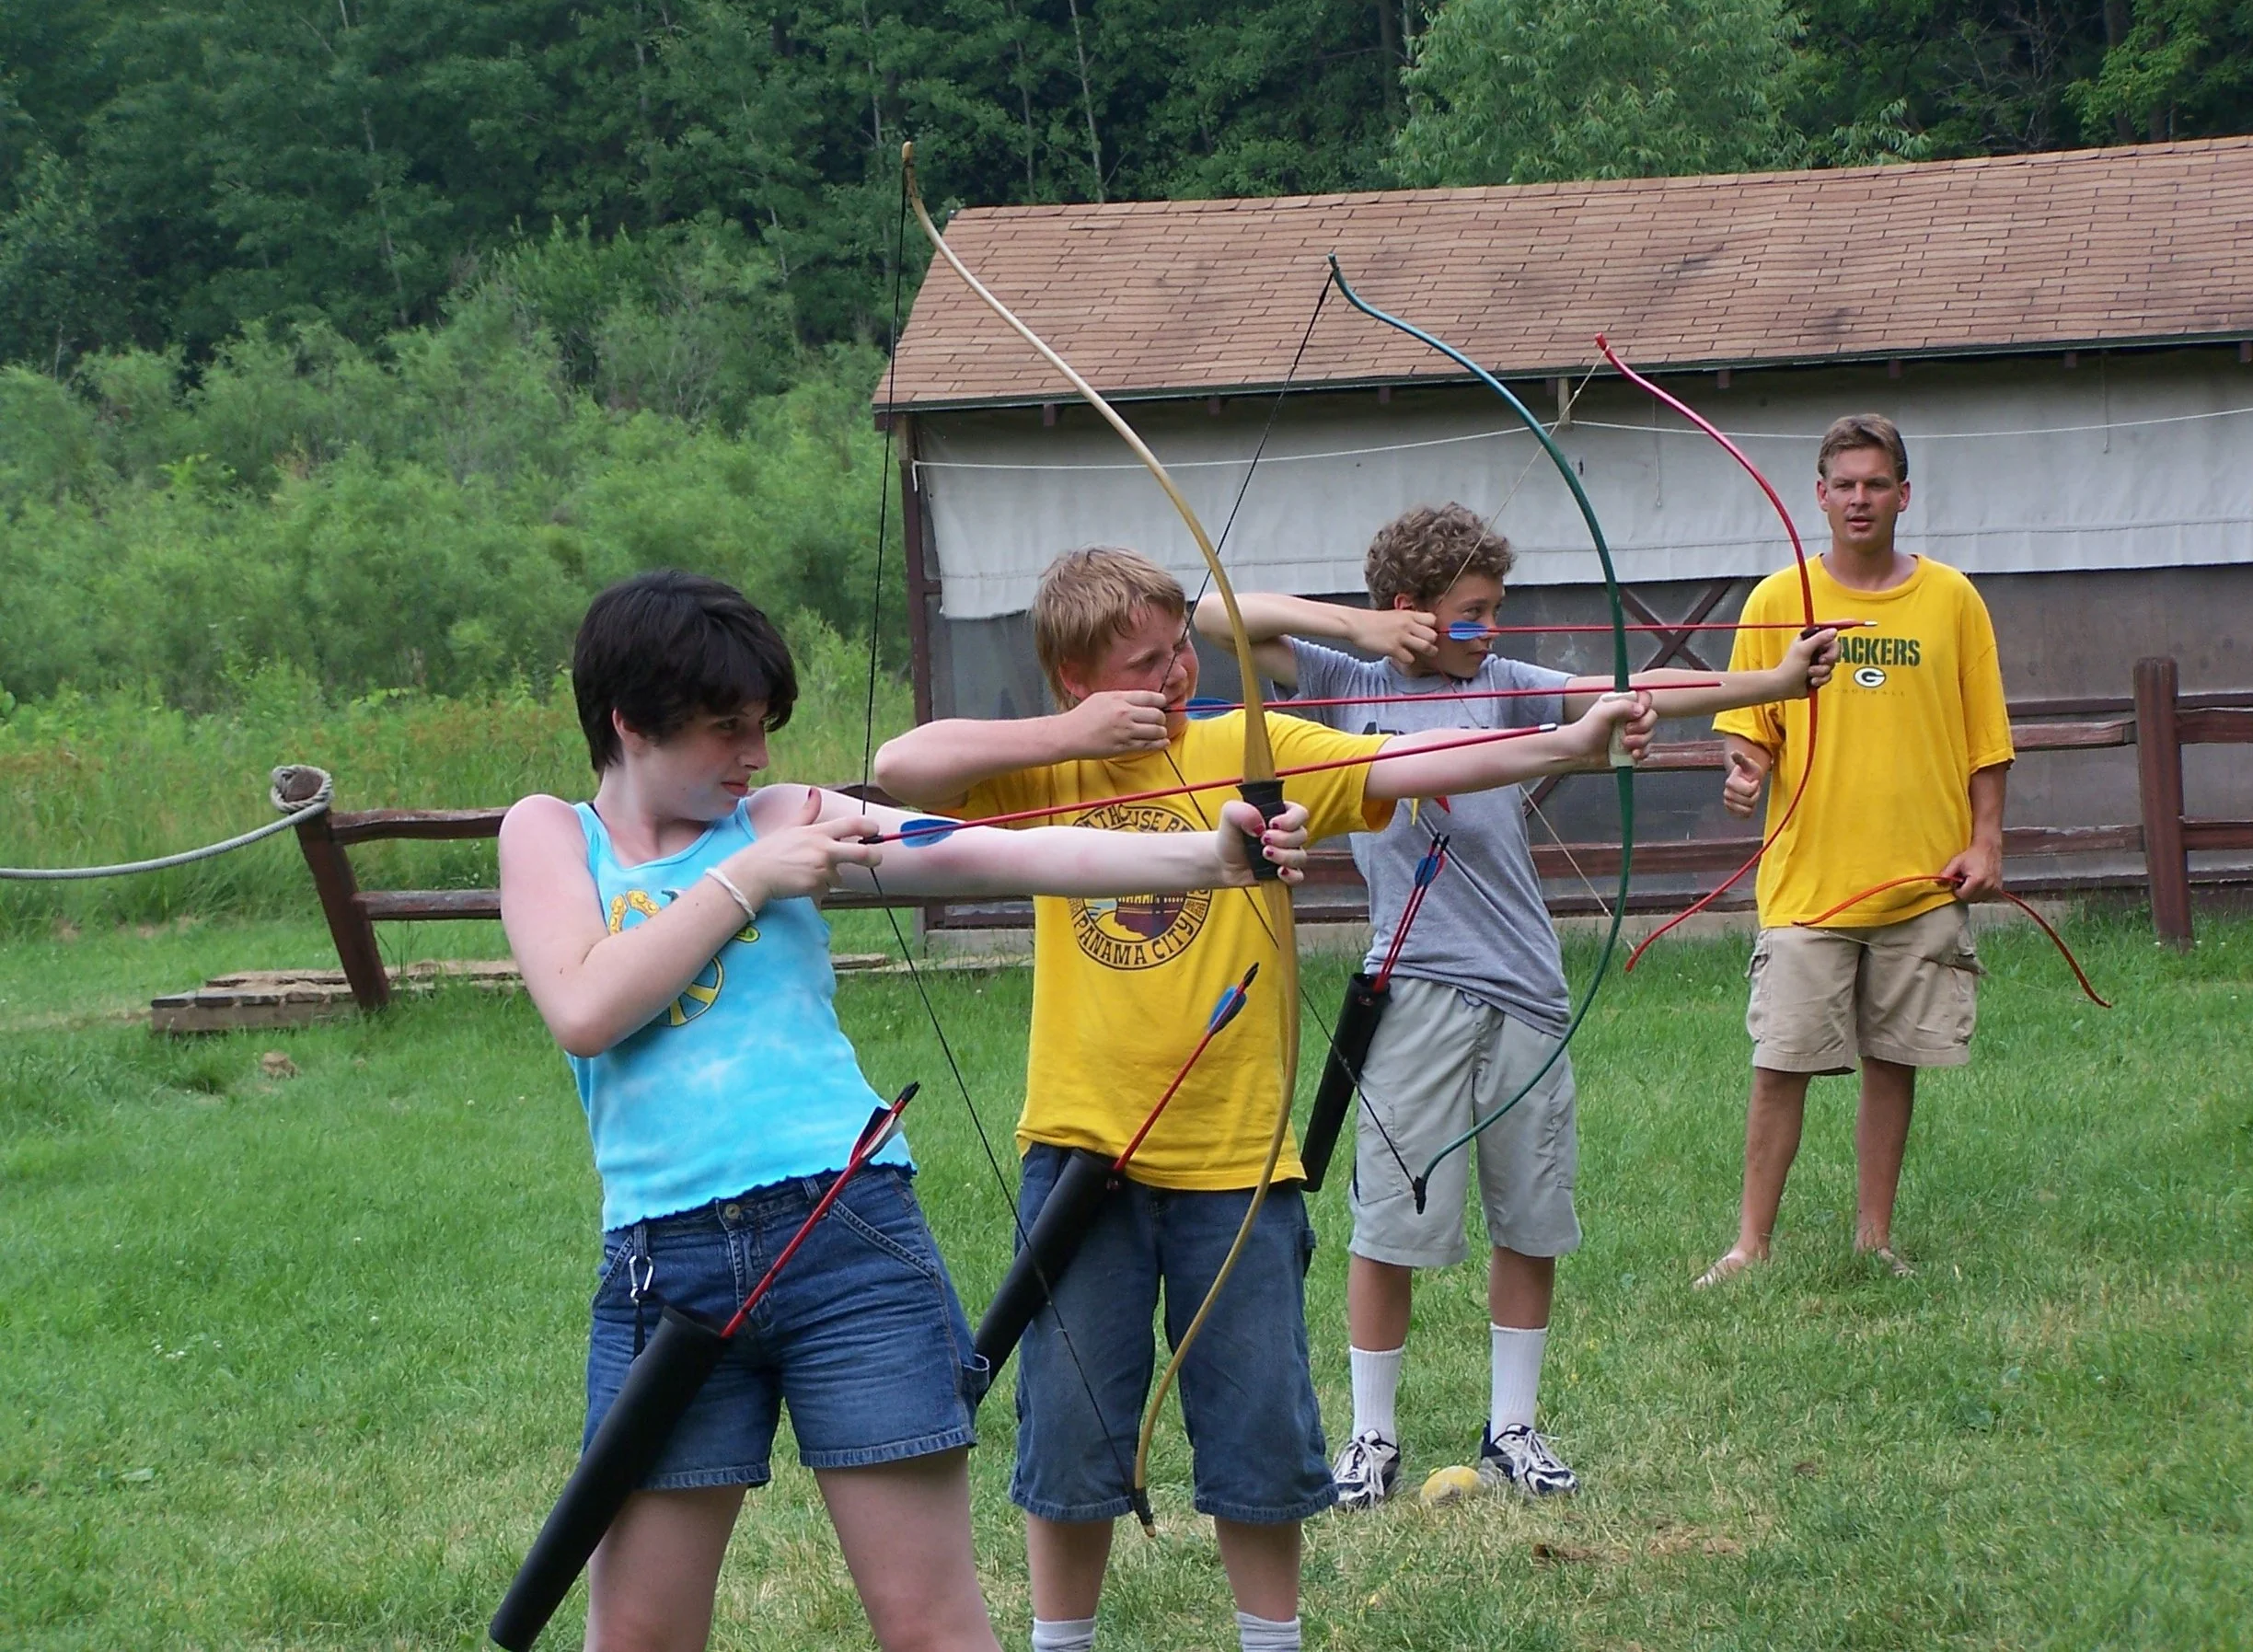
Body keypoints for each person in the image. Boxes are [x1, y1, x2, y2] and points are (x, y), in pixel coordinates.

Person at [496, 569, 1315, 1652]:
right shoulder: (552, 834)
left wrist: (1208, 858)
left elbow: (1004, 850)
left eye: (765, 729)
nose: (757, 757)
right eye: (726, 731)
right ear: (629, 723)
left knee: (931, 1627)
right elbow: (586, 1005)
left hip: (848, 1240)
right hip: (667, 1265)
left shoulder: (785, 817)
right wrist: (748, 880)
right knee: (640, 1634)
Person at [873, 547, 1665, 1652]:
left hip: (1238, 1160)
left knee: (1256, 1431)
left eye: (1174, 655)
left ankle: (1270, 1639)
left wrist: (1569, 739)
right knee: (1069, 1430)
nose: (1167, 682)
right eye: (1136, 668)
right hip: (1080, 1148)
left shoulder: (1252, 752)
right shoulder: (1045, 769)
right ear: (1070, 678)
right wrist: (1074, 738)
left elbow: (1417, 760)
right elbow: (900, 764)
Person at [1199, 503, 1840, 1510]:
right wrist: (1364, 631)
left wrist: (1773, 682)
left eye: (1498, 609)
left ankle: (1514, 1431)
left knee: (1530, 1219)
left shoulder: (1504, 686)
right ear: (1411, 611)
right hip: (1411, 987)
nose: (1493, 628)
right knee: (1389, 1227)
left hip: (1526, 990)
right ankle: (1370, 1441)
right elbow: (1209, 614)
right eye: (1472, 611)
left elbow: (1638, 690)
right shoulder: (1343, 683)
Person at [1696, 414, 2015, 1288]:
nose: (1860, 498)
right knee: (1781, 1062)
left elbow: (1987, 739)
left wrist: (1985, 842)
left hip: (1921, 881)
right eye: (1845, 483)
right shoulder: (1776, 602)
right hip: (1809, 885)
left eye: (1877, 483)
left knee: (1893, 1059)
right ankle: (1749, 1244)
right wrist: (1743, 771)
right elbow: (1749, 728)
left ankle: (1875, 1238)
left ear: (1903, 495)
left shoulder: (1952, 599)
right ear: (1821, 495)